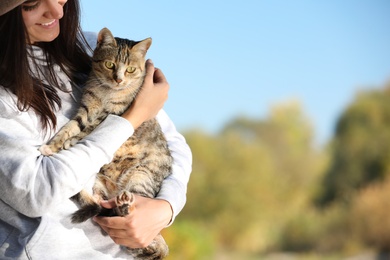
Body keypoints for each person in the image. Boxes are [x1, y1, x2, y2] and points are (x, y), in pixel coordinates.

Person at [0, 0, 192, 259]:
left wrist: (166, 206)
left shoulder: (91, 46)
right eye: (31, 4)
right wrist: (130, 119)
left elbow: (172, 143)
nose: (57, 12)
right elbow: (36, 193)